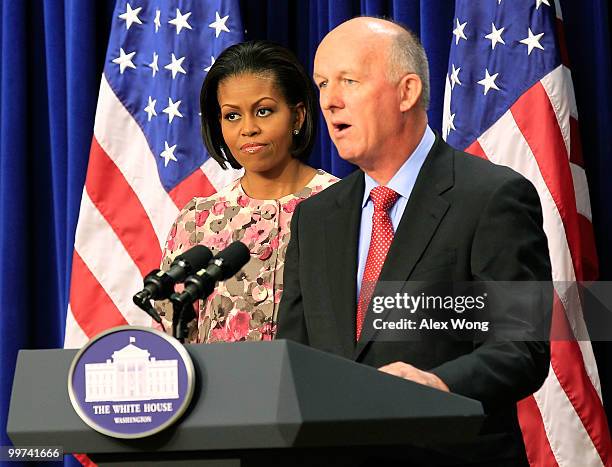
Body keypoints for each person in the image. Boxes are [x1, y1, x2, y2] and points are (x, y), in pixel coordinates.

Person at [277, 17, 551, 465]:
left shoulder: (491, 196)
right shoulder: (315, 217)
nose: (329, 101)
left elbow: (521, 346)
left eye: (349, 80)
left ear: (406, 92)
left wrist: (436, 385)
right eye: (322, 83)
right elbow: (296, 358)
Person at [154, 41, 337, 344]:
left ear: (298, 117)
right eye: (232, 116)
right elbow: (177, 336)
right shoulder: (198, 220)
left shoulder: (347, 205)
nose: (248, 128)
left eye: (263, 111)